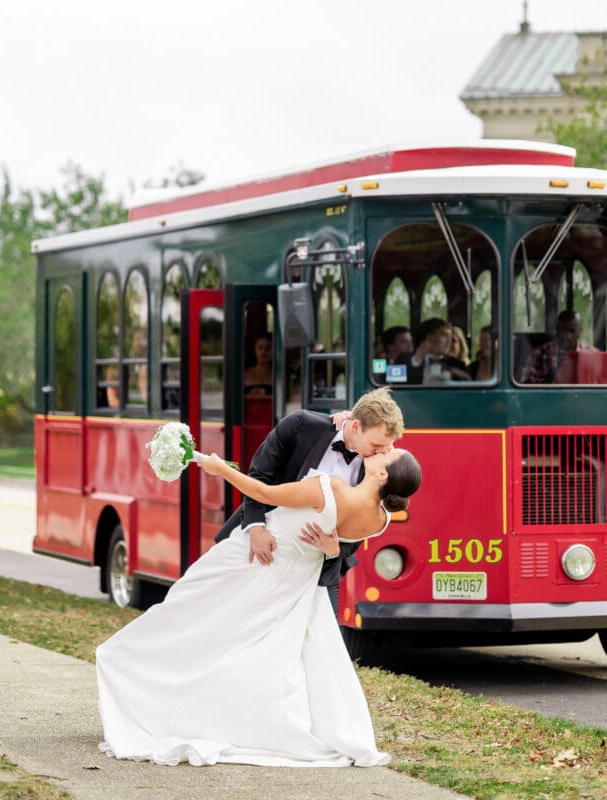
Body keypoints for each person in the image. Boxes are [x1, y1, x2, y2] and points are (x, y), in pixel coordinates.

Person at [96, 413, 422, 768]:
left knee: (188, 610)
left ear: (382, 474)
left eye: (388, 452)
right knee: (261, 651)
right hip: (293, 582)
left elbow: (264, 492)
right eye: (384, 445)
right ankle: (230, 717)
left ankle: (137, 676)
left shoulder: (330, 487)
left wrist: (218, 468)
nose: (386, 449)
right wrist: (328, 547)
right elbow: (337, 533)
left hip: (255, 565)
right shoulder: (380, 518)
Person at [215, 387, 406, 612]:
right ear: (355, 426)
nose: (381, 453)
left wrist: (335, 549)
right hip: (263, 549)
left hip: (319, 571)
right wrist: (256, 528)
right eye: (376, 445)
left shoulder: (379, 468)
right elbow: (260, 474)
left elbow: (363, 524)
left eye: (386, 447)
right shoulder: (301, 425)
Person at [522, 309, 598, 384]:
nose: (567, 336)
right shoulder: (541, 352)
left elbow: (600, 381)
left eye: (572, 331)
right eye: (563, 330)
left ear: (580, 331)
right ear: (557, 329)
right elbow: (527, 382)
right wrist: (548, 381)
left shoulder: (593, 354)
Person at [406, 318, 470, 384]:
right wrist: (417, 359)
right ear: (429, 337)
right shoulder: (405, 360)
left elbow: (467, 386)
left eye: (450, 337)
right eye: (444, 335)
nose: (449, 341)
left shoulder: (458, 365)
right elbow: (401, 384)